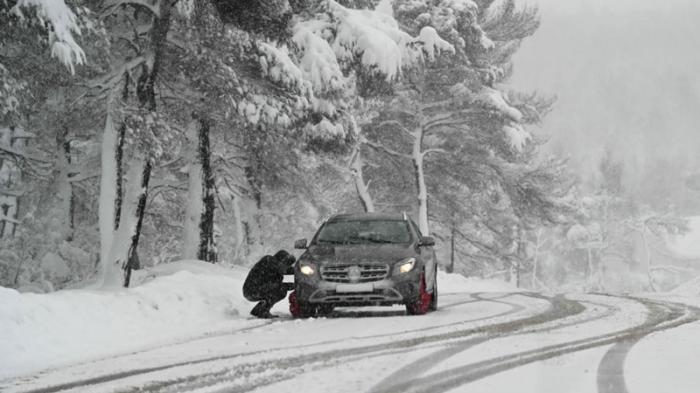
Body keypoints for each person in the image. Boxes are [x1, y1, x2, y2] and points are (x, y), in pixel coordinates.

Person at [243, 250, 296, 318]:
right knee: (281, 290)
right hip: (251, 290)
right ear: (279, 260)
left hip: (255, 289)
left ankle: (258, 310)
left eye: (287, 266)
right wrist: (293, 285)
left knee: (281, 288)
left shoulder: (275, 265)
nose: (285, 268)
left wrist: (299, 271)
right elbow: (279, 284)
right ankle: (262, 311)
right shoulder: (269, 263)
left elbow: (289, 271)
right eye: (285, 264)